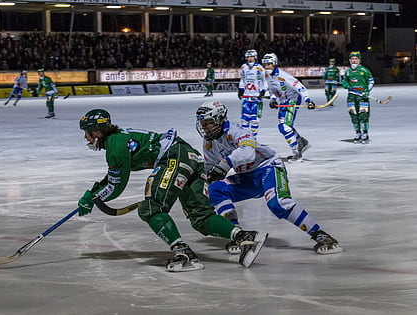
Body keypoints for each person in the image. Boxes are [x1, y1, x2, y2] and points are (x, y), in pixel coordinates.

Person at [77, 109, 268, 272]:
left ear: (97, 132)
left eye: (86, 132)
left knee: (151, 208)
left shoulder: (115, 146)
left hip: (173, 158)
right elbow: (113, 177)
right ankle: (245, 236)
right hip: (189, 155)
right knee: (200, 217)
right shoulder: (118, 140)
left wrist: (91, 198)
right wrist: (93, 193)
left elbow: (115, 186)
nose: (85, 137)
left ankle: (184, 253)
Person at [195, 100, 342, 255]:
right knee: (216, 190)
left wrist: (225, 165)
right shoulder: (209, 143)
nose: (204, 128)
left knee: (278, 204)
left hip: (268, 168)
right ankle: (238, 235)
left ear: (219, 118)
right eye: (202, 124)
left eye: (207, 123)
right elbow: (208, 167)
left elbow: (247, 152)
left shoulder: (237, 131)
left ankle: (320, 235)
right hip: (247, 177)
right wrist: (200, 190)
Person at [261, 53, 315, 161]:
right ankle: (301, 142)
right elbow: (273, 90)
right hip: (283, 101)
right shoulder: (267, 76)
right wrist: (272, 98)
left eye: (269, 64)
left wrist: (308, 100)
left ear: (274, 64)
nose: (267, 67)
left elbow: (300, 87)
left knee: (284, 127)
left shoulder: (283, 75)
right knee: (284, 127)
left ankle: (296, 153)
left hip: (293, 100)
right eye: (265, 64)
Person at [342, 51, 375, 143]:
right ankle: (357, 132)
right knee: (353, 114)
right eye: (352, 59)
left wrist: (367, 91)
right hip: (351, 96)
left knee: (363, 115)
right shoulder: (348, 71)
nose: (354, 61)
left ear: (359, 60)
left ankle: (365, 133)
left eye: (356, 59)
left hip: (362, 96)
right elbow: (345, 81)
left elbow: (371, 81)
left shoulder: (364, 70)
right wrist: (346, 85)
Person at [238, 49, 268, 137]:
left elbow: (265, 81)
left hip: (256, 98)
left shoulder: (260, 68)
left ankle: (253, 138)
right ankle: (245, 138)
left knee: (254, 120)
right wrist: (240, 89)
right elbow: (242, 80)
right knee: (244, 119)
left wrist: (262, 91)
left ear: (255, 58)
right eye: (248, 57)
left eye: (252, 57)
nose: (250, 59)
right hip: (247, 97)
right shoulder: (243, 67)